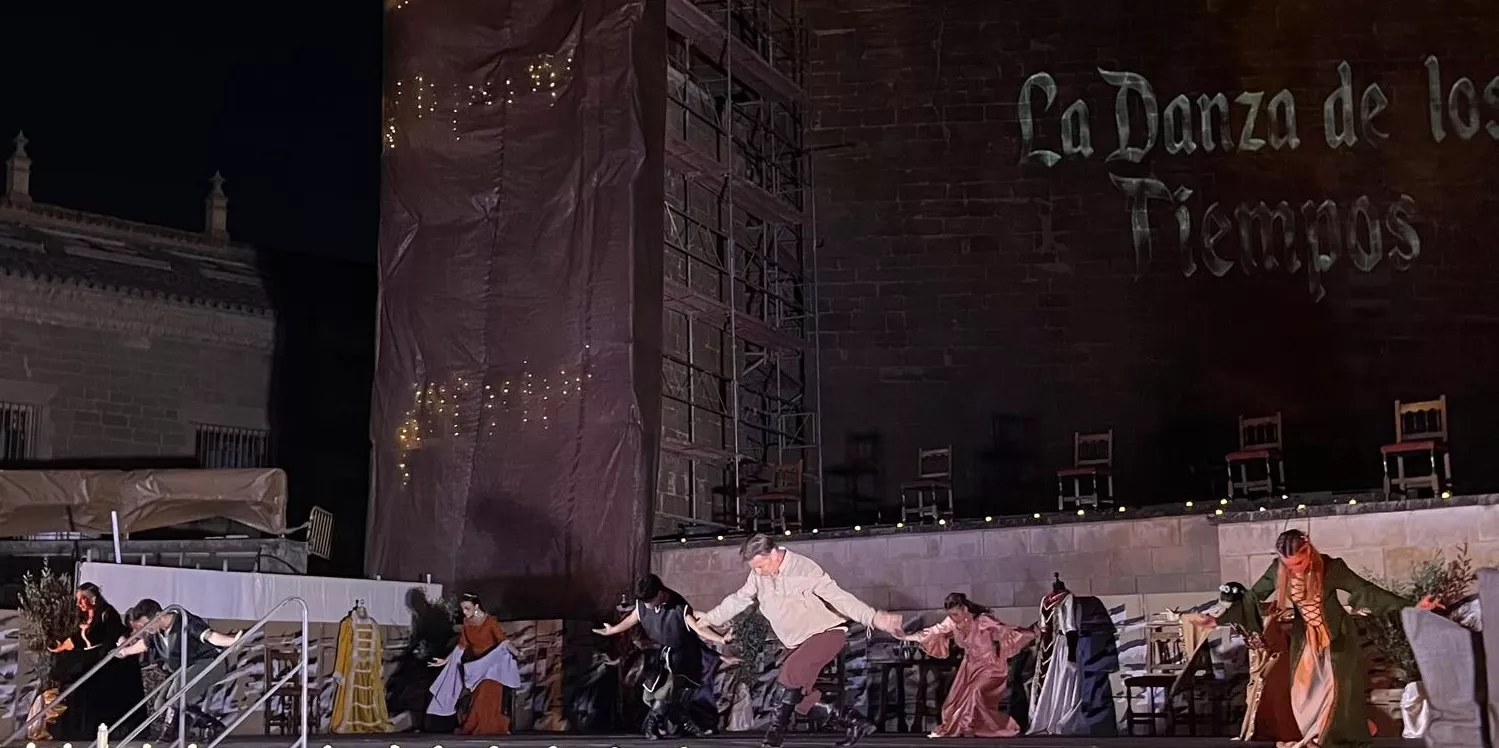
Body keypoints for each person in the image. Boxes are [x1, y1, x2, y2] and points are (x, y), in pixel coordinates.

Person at [1194, 529, 1440, 748]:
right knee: (1302, 694)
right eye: (1289, 565)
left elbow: (1365, 590)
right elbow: (1251, 598)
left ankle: (1324, 739)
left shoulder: (1331, 568)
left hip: (1337, 638)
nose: (1294, 569)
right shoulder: (1278, 570)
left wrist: (1412, 606)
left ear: (1308, 550)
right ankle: (1315, 735)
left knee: (1334, 692)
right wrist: (1218, 619)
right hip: (1305, 639)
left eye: (1298, 563)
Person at [692, 534, 905, 748]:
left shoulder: (804, 569)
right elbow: (738, 599)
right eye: (754, 568)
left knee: (789, 674)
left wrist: (873, 617)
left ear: (773, 554)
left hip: (825, 634)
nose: (758, 571)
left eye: (760, 566)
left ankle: (774, 736)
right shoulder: (758, 576)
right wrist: (710, 618)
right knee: (799, 697)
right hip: (796, 644)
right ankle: (854, 721)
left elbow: (839, 597)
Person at [594, 574, 727, 739]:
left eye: (649, 601)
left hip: (682, 656)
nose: (646, 606)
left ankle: (652, 726)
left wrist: (721, 639)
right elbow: (633, 618)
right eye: (644, 602)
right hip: (662, 654)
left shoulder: (679, 607)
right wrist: (612, 630)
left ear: (660, 593)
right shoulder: (644, 605)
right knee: (649, 696)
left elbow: (699, 628)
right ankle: (683, 721)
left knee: (667, 692)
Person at [899, 592, 1034, 738]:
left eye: (955, 614)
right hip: (969, 668)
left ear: (964, 609)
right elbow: (933, 631)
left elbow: (1005, 630)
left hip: (989, 667)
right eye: (950, 615)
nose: (953, 618)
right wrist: (907, 636)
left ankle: (971, 726)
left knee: (975, 692)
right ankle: (972, 727)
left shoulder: (982, 620)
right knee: (953, 704)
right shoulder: (953, 622)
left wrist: (1031, 632)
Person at [117, 598, 242, 740]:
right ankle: (212, 725)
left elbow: (210, 636)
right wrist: (125, 651)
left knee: (176, 695)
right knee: (161, 705)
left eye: (146, 625)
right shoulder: (155, 632)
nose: (146, 629)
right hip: (183, 669)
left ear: (159, 615)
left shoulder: (184, 621)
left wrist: (232, 641)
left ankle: (167, 736)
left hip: (208, 663)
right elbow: (144, 645)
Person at [45, 584, 145, 740]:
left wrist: (124, 647)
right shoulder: (85, 617)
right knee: (65, 666)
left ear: (93, 598)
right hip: (89, 657)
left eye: (82, 599)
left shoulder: (107, 613)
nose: (79, 603)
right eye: (78, 599)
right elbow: (77, 639)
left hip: (102, 660)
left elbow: (116, 634)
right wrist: (61, 647)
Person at [427, 594, 521, 735]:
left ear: (476, 606)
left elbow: (503, 641)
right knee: (477, 697)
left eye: (467, 608)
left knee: (486, 695)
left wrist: (517, 652)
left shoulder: (489, 621)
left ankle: (492, 727)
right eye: (463, 609)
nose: (465, 612)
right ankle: (476, 726)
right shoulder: (467, 623)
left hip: (493, 667)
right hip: (477, 667)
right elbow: (461, 646)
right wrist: (445, 660)